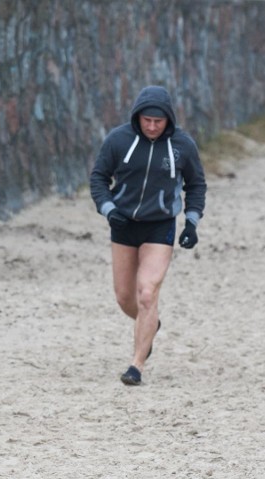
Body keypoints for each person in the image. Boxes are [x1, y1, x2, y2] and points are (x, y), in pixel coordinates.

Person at [89, 85, 207, 386]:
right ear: (137, 117)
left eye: (159, 121)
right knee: (125, 297)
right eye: (147, 120)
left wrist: (191, 222)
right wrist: (108, 209)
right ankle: (150, 323)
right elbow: (99, 177)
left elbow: (196, 185)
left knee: (147, 293)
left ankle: (136, 365)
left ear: (169, 119)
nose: (153, 126)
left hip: (160, 225)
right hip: (123, 224)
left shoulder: (183, 146)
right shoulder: (118, 140)